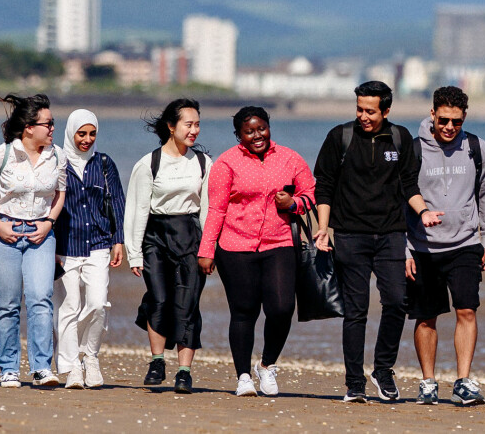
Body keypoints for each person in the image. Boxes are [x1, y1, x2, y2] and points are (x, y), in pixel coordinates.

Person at [312, 80, 440, 402]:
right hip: (350, 237)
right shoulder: (339, 137)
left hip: (390, 235)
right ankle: (354, 383)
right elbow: (324, 185)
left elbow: (409, 184)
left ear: (386, 110)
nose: (363, 116)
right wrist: (323, 228)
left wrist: (423, 212)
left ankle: (382, 369)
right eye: (359, 109)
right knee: (355, 312)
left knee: (397, 302)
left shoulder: (400, 138)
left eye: (370, 110)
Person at [198, 106, 316, 397]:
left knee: (282, 307)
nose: (256, 135)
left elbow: (310, 195)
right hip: (235, 246)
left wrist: (292, 204)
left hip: (279, 243)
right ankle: (243, 377)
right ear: (239, 135)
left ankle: (267, 364)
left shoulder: (289, 158)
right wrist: (206, 249)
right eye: (248, 131)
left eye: (261, 128)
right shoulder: (226, 163)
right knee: (243, 312)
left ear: (268, 126)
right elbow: (217, 209)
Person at [403, 86, 485, 405]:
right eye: (443, 119)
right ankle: (428, 382)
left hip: (465, 244)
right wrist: (405, 248)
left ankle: (463, 381)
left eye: (456, 122)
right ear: (432, 114)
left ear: (464, 118)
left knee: (467, 310)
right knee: (426, 317)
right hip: (422, 248)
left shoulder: (475, 146)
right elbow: (400, 198)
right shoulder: (414, 149)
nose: (449, 127)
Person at [0, 93, 68, 388]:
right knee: (7, 303)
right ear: (29, 127)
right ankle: (8, 369)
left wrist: (49, 223)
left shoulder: (57, 156)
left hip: (41, 235)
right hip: (3, 233)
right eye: (49, 123)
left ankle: (42, 368)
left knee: (41, 298)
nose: (53, 128)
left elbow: (60, 193)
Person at [124, 99, 211, 393]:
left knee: (187, 304)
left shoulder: (202, 163)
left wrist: (208, 249)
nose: (194, 130)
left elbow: (208, 210)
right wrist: (134, 252)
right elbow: (136, 210)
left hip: (190, 235)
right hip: (155, 236)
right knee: (159, 300)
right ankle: (157, 361)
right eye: (189, 124)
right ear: (171, 127)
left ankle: (184, 371)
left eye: (197, 124)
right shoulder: (149, 163)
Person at [54, 109, 124, 389]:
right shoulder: (57, 163)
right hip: (65, 245)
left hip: (98, 243)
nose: (87, 139)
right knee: (68, 307)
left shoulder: (104, 164)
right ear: (71, 132)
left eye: (92, 133)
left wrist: (118, 239)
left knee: (97, 303)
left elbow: (117, 201)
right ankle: (71, 367)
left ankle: (89, 355)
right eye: (81, 133)